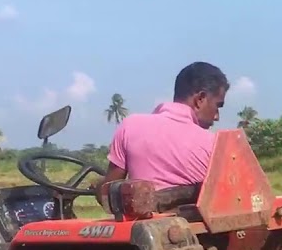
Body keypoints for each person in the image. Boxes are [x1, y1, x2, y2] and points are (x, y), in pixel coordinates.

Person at [98, 61, 230, 197]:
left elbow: (108, 194)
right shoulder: (215, 146)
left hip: (141, 218)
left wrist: (98, 187)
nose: (216, 117)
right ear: (200, 99)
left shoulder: (130, 126)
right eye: (217, 106)